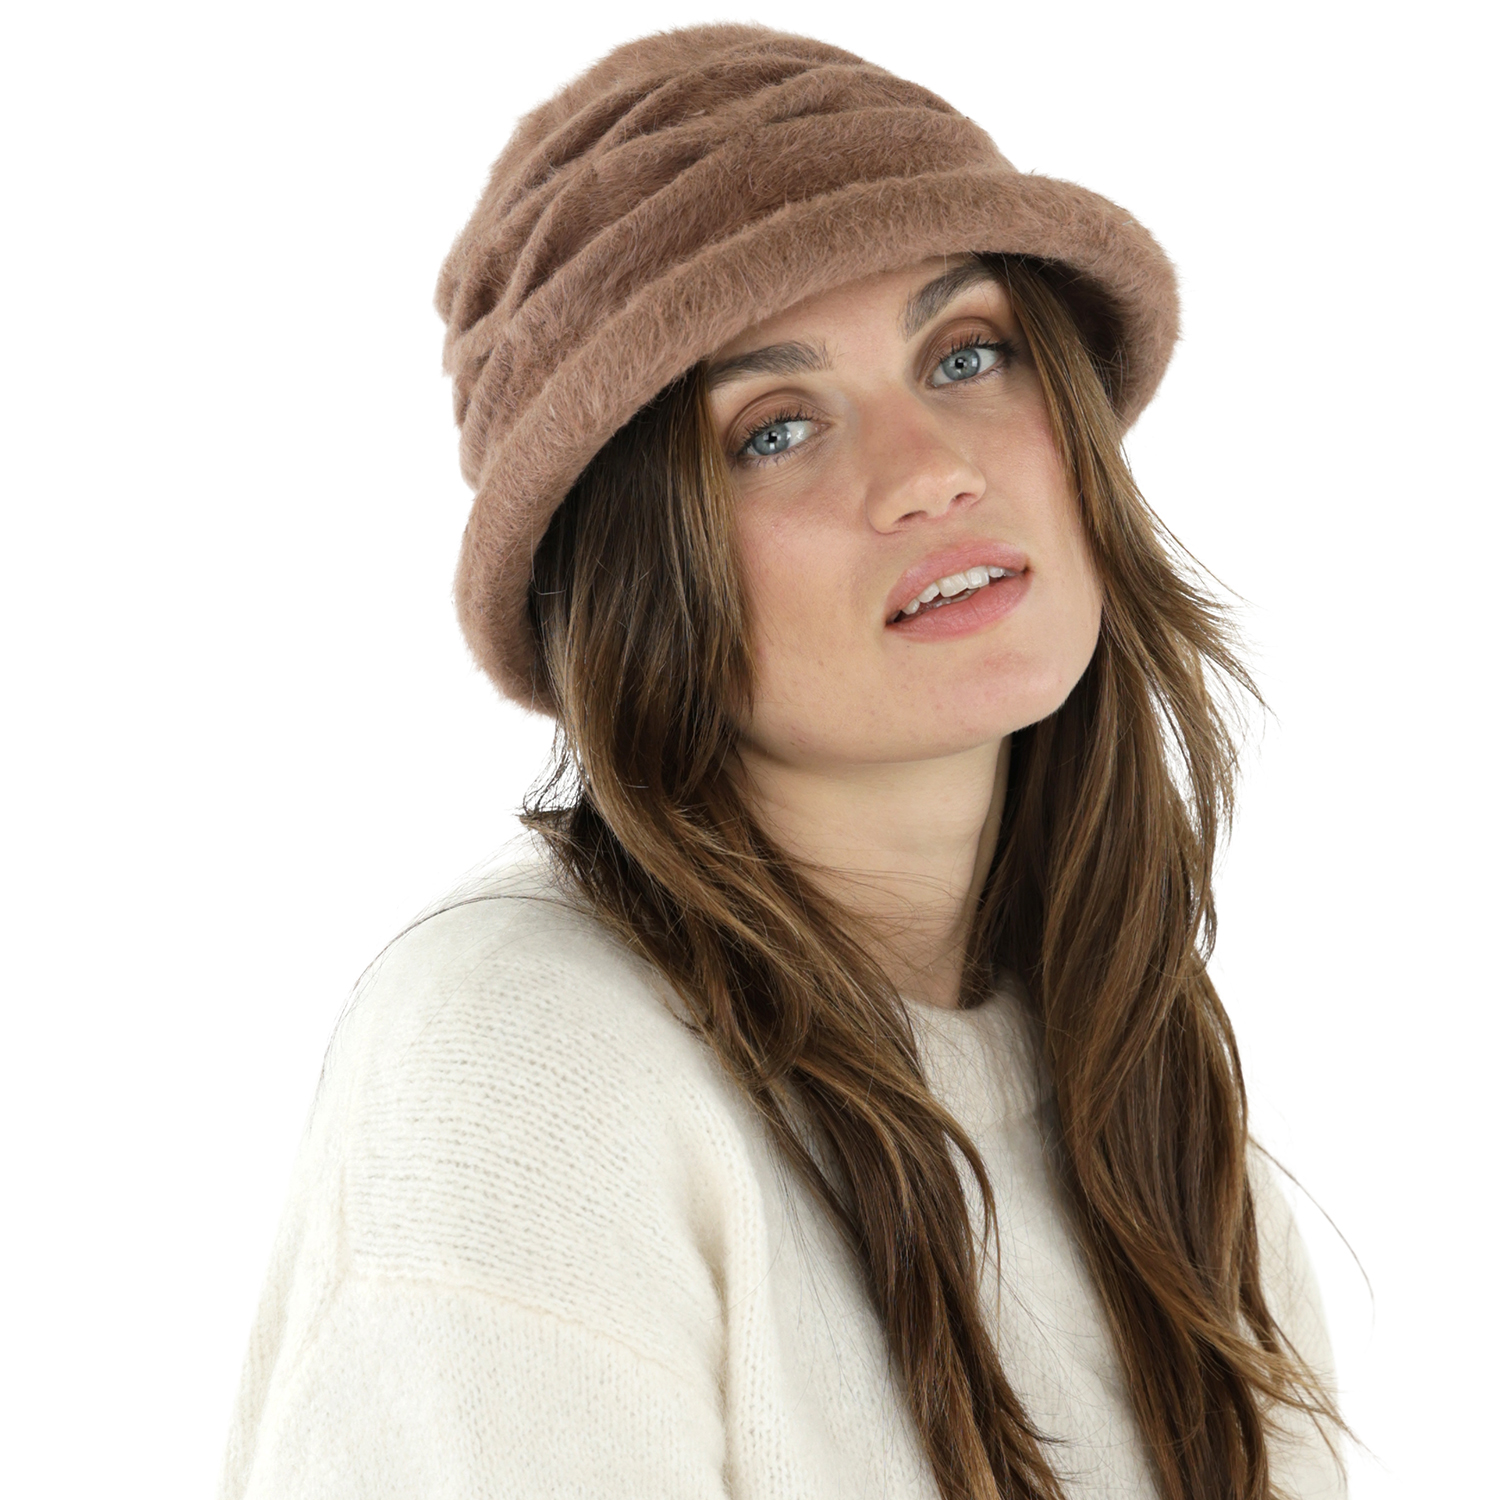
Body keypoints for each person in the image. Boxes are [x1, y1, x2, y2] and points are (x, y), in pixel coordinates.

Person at [218, 23, 1346, 1500]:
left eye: (967, 353)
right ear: (636, 576)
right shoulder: (528, 1065)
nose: (931, 469)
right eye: (775, 429)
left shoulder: (1156, 1106)